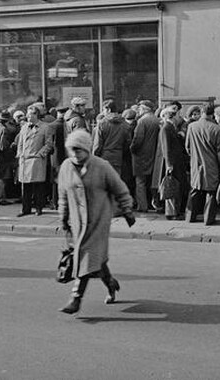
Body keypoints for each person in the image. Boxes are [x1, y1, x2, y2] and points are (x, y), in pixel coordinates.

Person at [58, 129, 135, 314]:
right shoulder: (66, 166)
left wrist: (127, 210)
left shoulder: (102, 166)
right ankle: (110, 283)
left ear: (87, 149)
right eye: (72, 150)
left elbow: (120, 189)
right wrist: (63, 217)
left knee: (87, 257)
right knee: (96, 260)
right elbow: (63, 194)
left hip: (99, 220)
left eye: (79, 150)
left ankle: (75, 299)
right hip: (77, 222)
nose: (75, 154)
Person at [184, 103, 220, 225]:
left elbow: (187, 147)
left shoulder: (192, 126)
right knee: (211, 192)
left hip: (196, 163)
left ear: (202, 112)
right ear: (213, 114)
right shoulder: (217, 128)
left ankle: (190, 216)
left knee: (195, 189)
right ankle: (208, 219)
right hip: (212, 164)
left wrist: (194, 156)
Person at [16, 104, 52, 216]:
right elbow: (20, 143)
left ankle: (38, 208)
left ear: (36, 115)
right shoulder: (24, 127)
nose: (27, 117)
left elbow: (49, 144)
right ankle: (25, 209)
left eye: (30, 114)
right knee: (25, 187)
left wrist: (40, 154)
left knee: (38, 186)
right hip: (25, 160)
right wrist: (20, 154)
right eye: (27, 114)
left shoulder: (45, 127)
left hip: (36, 160)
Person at [129, 100, 160, 213]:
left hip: (141, 156)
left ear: (146, 109)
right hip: (154, 154)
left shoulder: (142, 121)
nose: (139, 110)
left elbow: (138, 139)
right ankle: (155, 204)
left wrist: (132, 148)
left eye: (141, 108)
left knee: (140, 182)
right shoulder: (157, 120)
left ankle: (142, 206)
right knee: (153, 181)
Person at [93, 99, 129, 177]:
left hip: (104, 156)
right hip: (118, 157)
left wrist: (94, 156)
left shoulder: (102, 123)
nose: (103, 112)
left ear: (108, 109)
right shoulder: (124, 124)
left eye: (103, 110)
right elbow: (127, 143)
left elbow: (98, 144)